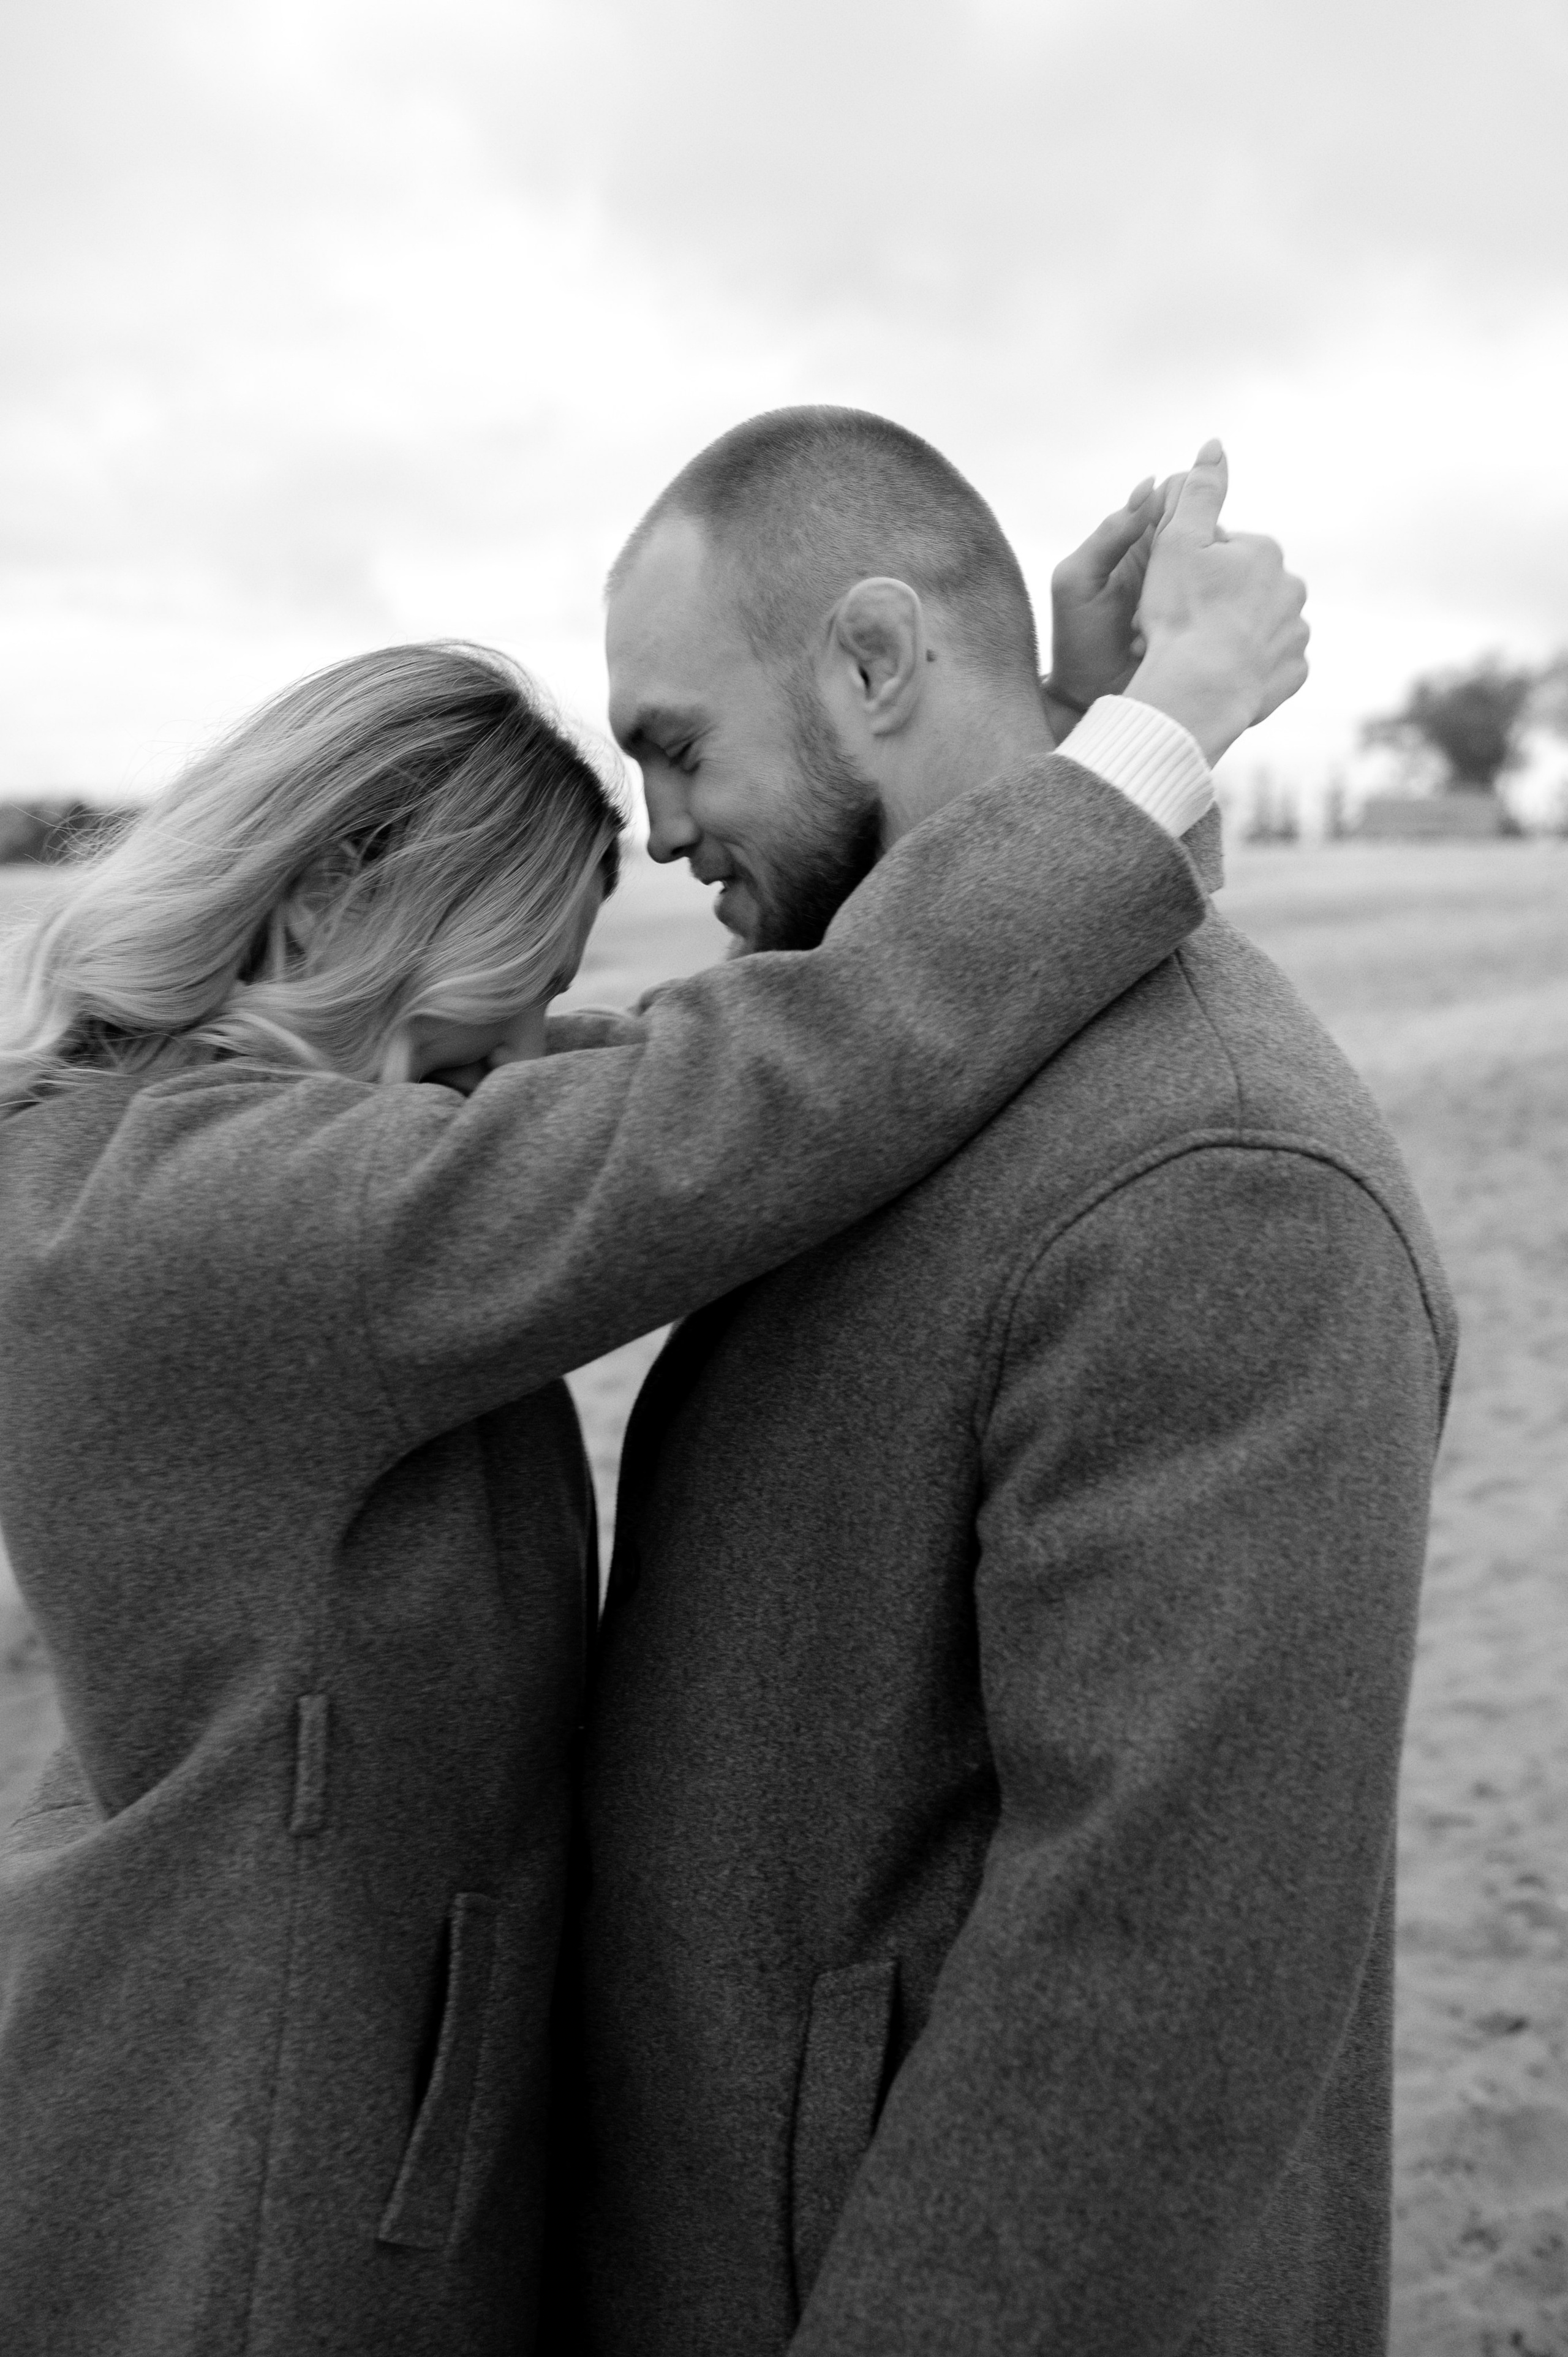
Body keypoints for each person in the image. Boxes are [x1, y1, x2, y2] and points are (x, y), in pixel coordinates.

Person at [0, 555, 1262, 2357]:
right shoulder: (217, 1220)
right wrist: (1161, 738)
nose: (525, 1056)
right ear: (329, 909)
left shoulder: (216, 1146)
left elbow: (745, 1042)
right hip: (238, 2183)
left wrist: (1019, 733)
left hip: (251, 2087)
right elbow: (751, 1098)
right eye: (506, 998)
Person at [571, 411, 1457, 2355]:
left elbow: (1144, 2020)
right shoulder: (859, 1070)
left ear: (876, 664)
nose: (654, 830)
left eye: (672, 742)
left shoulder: (1224, 1188)